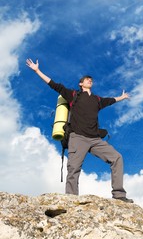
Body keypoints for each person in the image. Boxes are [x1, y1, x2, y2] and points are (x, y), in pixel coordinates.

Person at [26, 58, 133, 203]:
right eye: (86, 79)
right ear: (80, 84)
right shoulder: (73, 95)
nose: (90, 80)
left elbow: (111, 100)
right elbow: (53, 85)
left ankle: (119, 196)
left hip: (95, 139)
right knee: (74, 169)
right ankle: (71, 200)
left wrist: (122, 97)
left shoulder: (97, 100)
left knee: (117, 158)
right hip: (78, 138)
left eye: (91, 80)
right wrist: (37, 70)